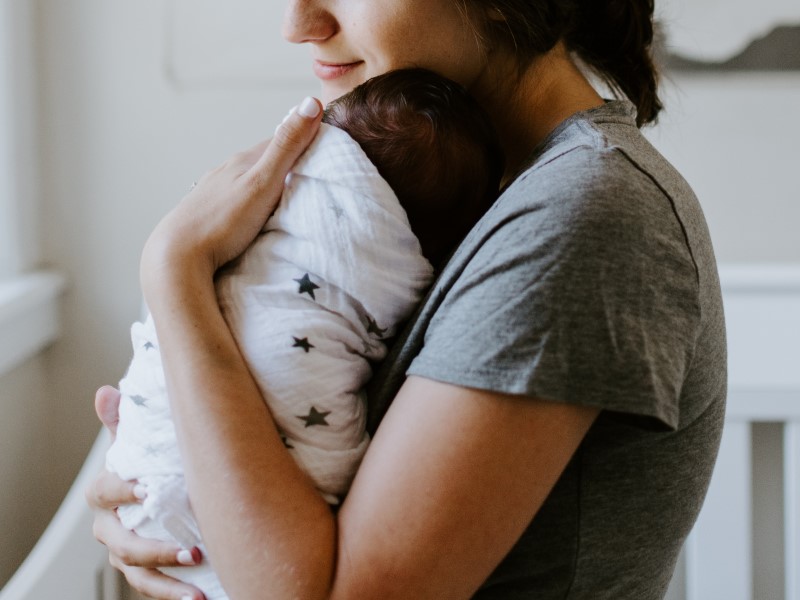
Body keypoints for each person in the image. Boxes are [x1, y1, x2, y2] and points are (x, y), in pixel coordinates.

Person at [87, 1, 727, 599]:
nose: (299, 22)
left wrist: (175, 272)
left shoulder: (579, 218)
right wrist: (172, 502)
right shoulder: (431, 207)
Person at [104, 67, 503, 600]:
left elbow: (291, 589)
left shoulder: (553, 227)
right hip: (178, 519)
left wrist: (174, 266)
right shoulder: (431, 251)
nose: (298, 25)